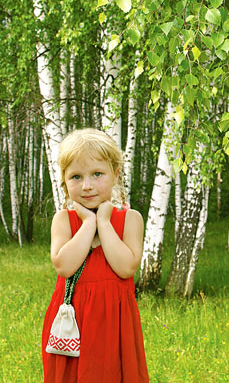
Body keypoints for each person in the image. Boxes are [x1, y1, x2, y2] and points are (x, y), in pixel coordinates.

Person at [42, 128, 150, 383]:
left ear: (115, 174)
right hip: (73, 325)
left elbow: (126, 268)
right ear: (64, 181)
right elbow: (64, 266)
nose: (87, 185)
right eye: (76, 177)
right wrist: (88, 224)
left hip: (115, 325)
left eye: (97, 174)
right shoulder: (64, 221)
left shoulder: (130, 220)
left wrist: (103, 221)